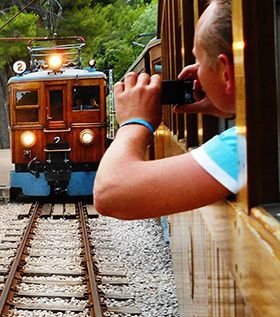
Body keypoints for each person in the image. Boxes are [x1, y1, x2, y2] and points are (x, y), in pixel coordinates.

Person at [94, 0, 238, 219]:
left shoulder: (250, 145)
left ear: (227, 73)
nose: (195, 72)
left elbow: (110, 193)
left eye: (198, 59)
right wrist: (231, 102)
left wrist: (134, 123)